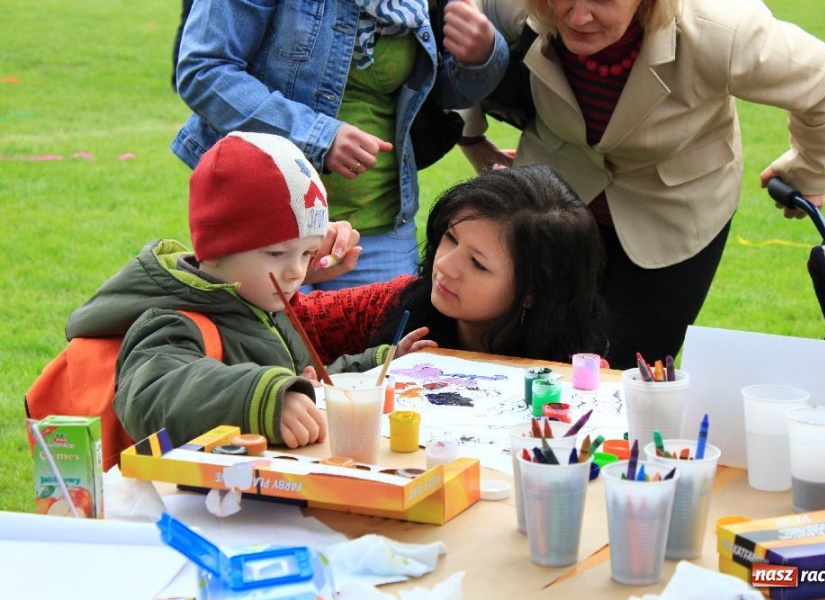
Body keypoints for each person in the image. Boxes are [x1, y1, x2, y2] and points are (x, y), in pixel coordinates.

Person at [457, 0, 825, 369]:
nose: (578, 17)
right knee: (522, 350)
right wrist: (474, 141)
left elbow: (823, 83)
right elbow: (456, 28)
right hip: (555, 195)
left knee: (623, 369)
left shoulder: (722, 29)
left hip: (674, 211)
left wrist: (810, 171)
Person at [65, 132, 392, 449]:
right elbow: (152, 396)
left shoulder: (264, 307)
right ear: (216, 250)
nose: (296, 271)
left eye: (307, 253)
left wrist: (377, 365)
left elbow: (301, 386)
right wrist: (265, 400)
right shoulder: (172, 320)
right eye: (277, 253)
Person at [170, 0, 509, 290]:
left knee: (380, 362)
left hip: (379, 220)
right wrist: (319, 136)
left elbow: (443, 93)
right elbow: (204, 69)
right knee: (272, 363)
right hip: (264, 221)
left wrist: (483, 56)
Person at [293, 164, 610, 365]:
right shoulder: (393, 304)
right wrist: (296, 268)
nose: (445, 264)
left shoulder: (573, 375)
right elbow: (273, 330)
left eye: (477, 263)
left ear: (532, 291)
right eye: (451, 237)